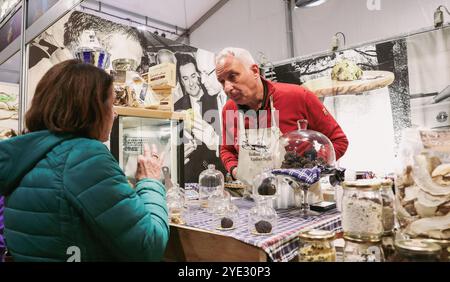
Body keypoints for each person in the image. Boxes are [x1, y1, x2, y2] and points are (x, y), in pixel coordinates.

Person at [0, 60, 169, 262]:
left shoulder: (25, 156)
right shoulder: (85, 157)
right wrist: (150, 181)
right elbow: (148, 245)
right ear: (92, 108)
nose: (114, 113)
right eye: (111, 103)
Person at [216, 47, 349, 186]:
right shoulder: (229, 110)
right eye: (222, 81)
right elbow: (227, 150)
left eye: (232, 76)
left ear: (255, 71)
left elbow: (338, 140)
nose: (227, 88)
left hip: (301, 196)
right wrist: (236, 171)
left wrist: (312, 168)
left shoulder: (299, 97)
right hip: (254, 200)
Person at [174, 52, 226, 182]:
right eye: (185, 78)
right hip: (190, 176)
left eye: (193, 76)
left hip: (218, 173)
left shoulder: (217, 98)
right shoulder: (177, 106)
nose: (191, 83)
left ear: (199, 74)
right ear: (181, 81)